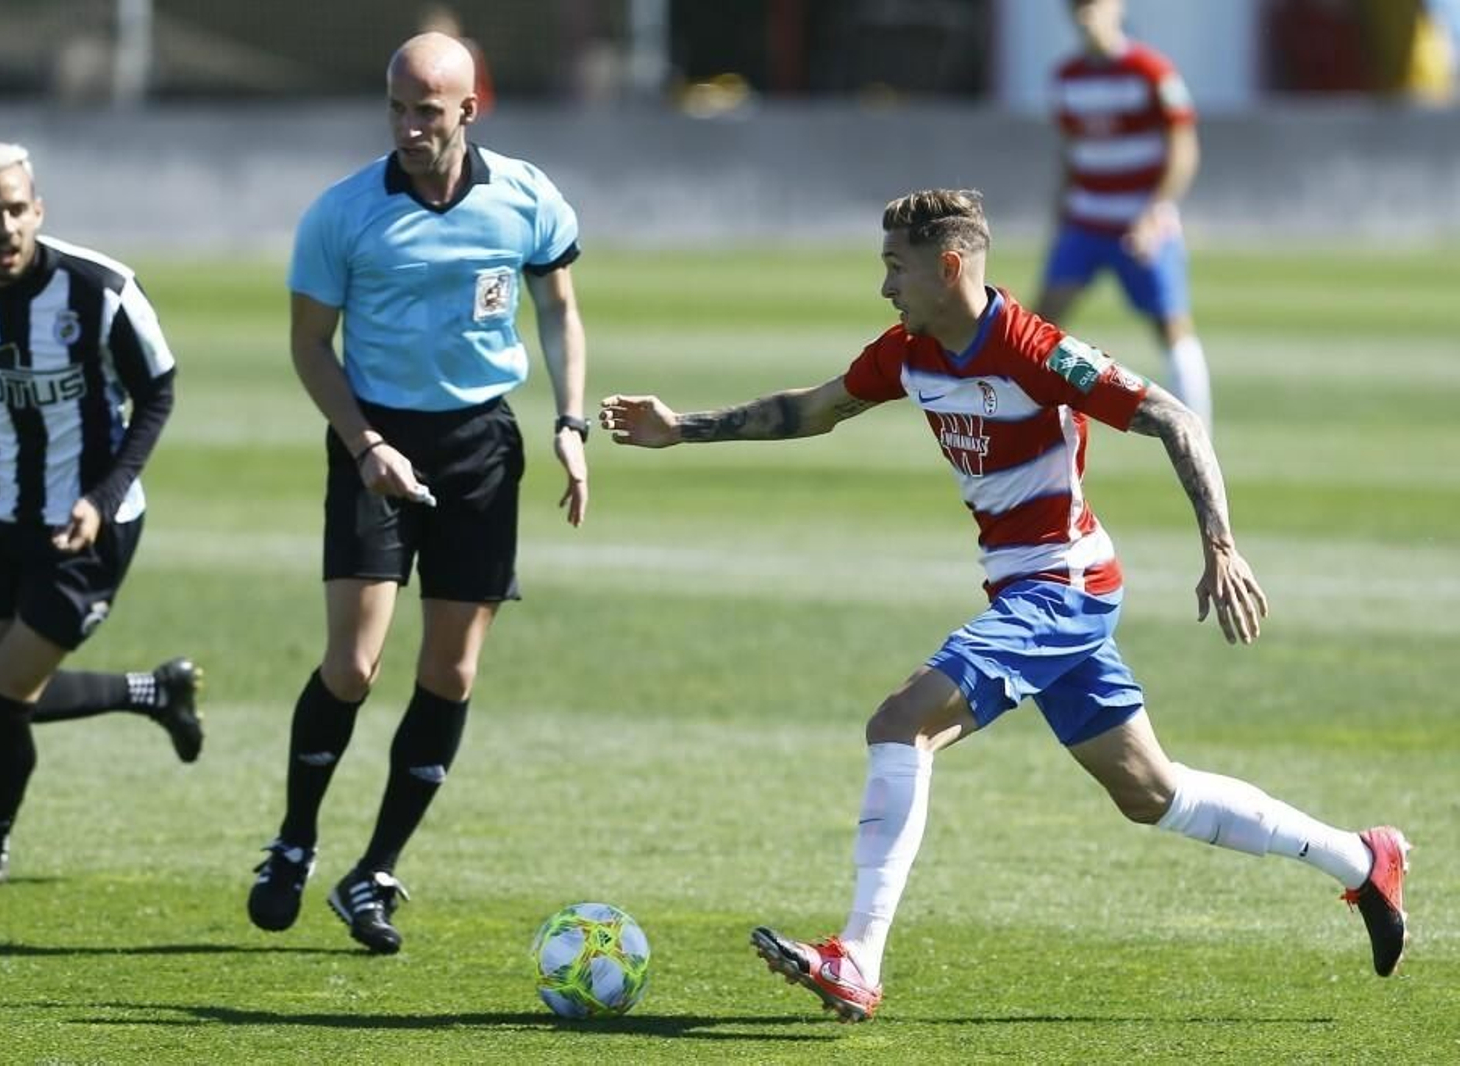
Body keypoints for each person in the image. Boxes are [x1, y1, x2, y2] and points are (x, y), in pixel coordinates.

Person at [599, 189, 1408, 1022]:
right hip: (1030, 591)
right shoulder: (907, 352)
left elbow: (1174, 417)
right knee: (1149, 792)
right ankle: (1361, 860)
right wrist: (681, 428)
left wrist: (1221, 543)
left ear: (949, 267)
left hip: (1063, 589)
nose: (885, 288)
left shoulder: (1035, 349)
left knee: (899, 723)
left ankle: (858, 958)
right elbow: (812, 409)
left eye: (895, 269)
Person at [245, 31, 590, 955]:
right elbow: (311, 345)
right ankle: (292, 840)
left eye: (425, 111)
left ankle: (374, 872)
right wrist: (365, 445)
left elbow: (557, 307)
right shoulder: (342, 213)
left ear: (469, 110)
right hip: (375, 441)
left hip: (481, 444)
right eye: (396, 108)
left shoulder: (525, 196)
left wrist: (570, 422)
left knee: (451, 671)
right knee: (354, 666)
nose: (407, 127)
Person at [0, 141, 203, 892]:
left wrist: (100, 499)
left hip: (90, 526)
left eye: (15, 209)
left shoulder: (101, 290)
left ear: (38, 210)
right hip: (7, 517)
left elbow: (158, 392)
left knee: (3, 698)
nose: (4, 227)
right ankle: (155, 691)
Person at [1035, 0, 1212, 430]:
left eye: (1093, 5)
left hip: (1139, 225)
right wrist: (1060, 216)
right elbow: (1071, 154)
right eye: (1076, 7)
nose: (1084, 15)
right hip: (1085, 221)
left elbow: (1183, 150)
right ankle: (1041, 414)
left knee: (1171, 326)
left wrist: (1155, 213)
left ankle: (1197, 429)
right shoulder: (1066, 77)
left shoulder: (1150, 71)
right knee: (1040, 327)